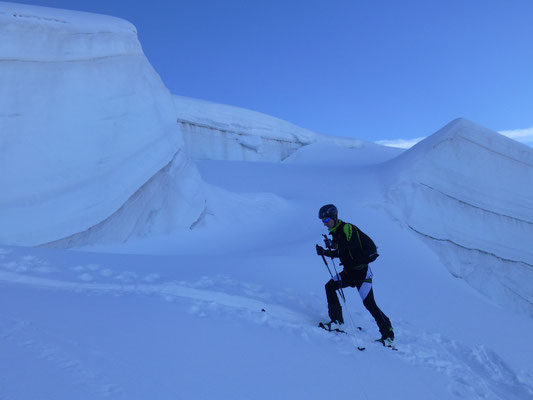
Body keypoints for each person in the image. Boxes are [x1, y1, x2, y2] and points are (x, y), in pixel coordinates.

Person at [315, 204, 394, 345]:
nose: (324, 223)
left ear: (334, 217)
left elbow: (350, 247)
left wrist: (334, 248)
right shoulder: (335, 233)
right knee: (330, 286)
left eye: (326, 220)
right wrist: (325, 252)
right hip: (349, 272)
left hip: (362, 274)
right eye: (322, 221)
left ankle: (388, 336)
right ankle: (337, 322)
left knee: (369, 304)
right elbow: (342, 252)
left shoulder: (347, 228)